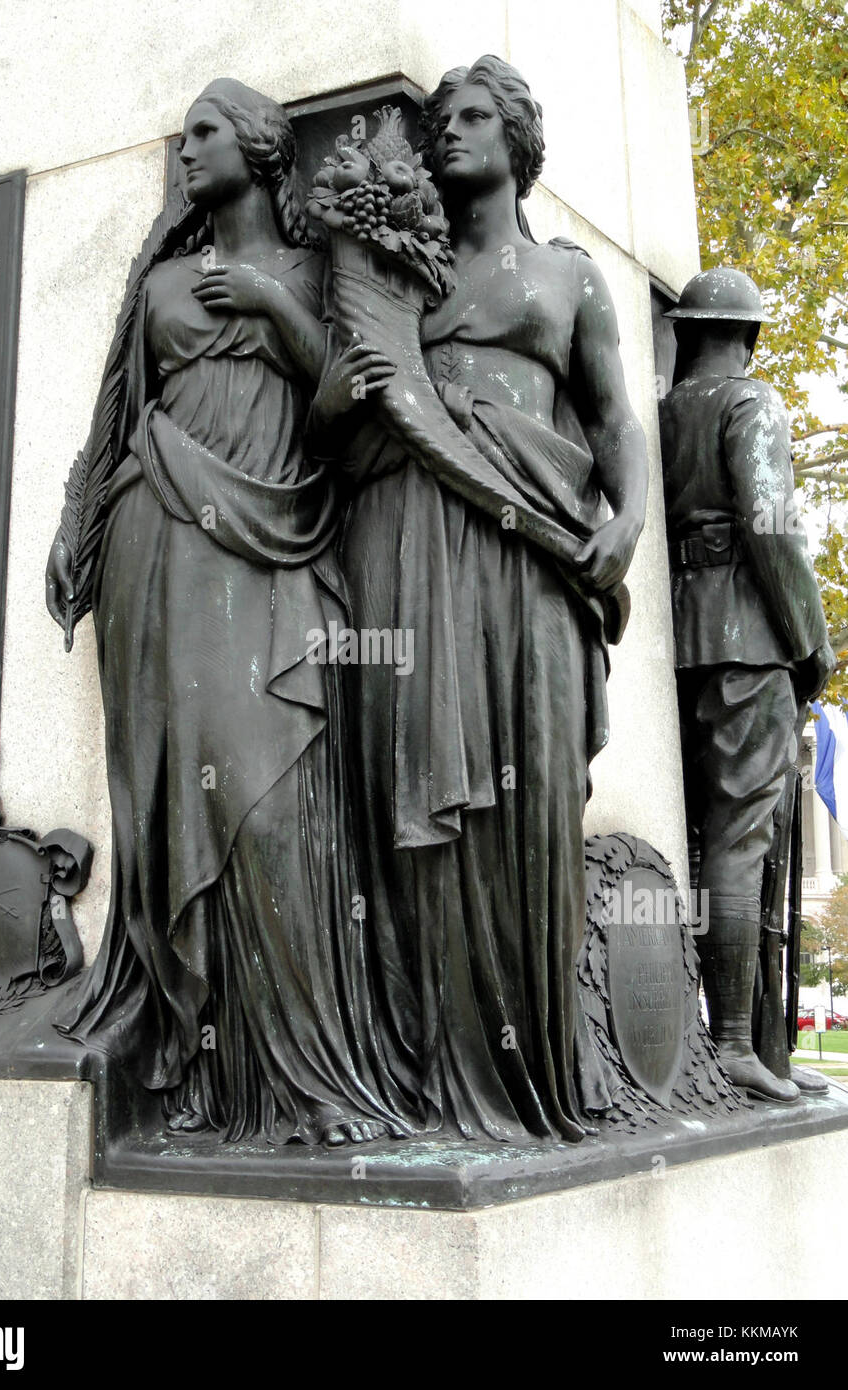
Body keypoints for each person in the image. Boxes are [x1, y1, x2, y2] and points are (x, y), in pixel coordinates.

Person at [44, 79, 415, 1146]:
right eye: (183, 136)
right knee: (177, 796)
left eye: (206, 133)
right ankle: (202, 1059)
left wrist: (270, 306)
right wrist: (78, 525)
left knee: (274, 805)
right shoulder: (161, 281)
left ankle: (308, 1071)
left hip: (278, 542)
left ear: (259, 148)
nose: (186, 150)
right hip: (156, 539)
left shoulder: (315, 271)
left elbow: (350, 402)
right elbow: (119, 411)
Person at [312, 55, 648, 1142]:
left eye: (472, 117)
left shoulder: (567, 278)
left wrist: (627, 521)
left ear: (517, 140)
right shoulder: (400, 270)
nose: (449, 131)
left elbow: (617, 419)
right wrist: (335, 399)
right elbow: (338, 424)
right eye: (442, 118)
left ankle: (530, 1068)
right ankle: (434, 1071)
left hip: (533, 558)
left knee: (532, 791)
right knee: (414, 790)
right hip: (407, 544)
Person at [660, 268, 835, 1102]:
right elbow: (772, 529)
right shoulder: (749, 401)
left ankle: (753, 1044)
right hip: (748, 641)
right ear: (747, 335)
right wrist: (809, 641)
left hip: (680, 637)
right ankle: (734, 1043)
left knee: (712, 838)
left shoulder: (659, 412)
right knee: (739, 839)